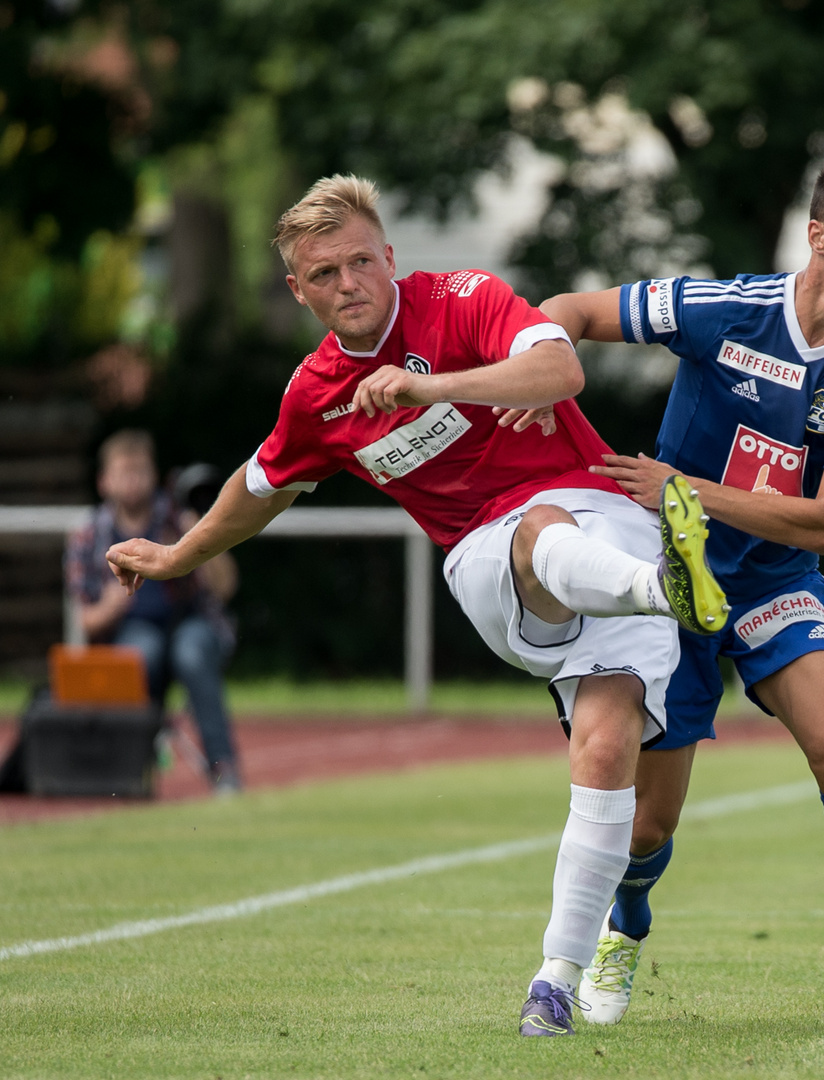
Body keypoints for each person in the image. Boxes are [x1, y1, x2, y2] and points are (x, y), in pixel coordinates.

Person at [104, 175, 729, 1037]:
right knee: (532, 529)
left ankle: (554, 983)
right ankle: (668, 589)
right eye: (324, 274)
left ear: (390, 256)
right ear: (299, 290)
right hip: (484, 552)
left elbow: (562, 366)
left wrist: (434, 387)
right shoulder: (314, 393)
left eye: (362, 261)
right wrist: (177, 556)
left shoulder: (465, 299)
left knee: (609, 741)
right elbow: (257, 487)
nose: (349, 282)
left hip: (605, 518)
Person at [540, 158, 824, 1034]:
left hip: (776, 582)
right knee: (647, 826)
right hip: (671, 584)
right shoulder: (724, 308)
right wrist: (543, 373)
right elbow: (570, 312)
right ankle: (626, 927)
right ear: (819, 237)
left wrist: (686, 487)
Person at [65, 429, 242, 793]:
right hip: (131, 629)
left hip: (188, 622)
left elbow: (225, 588)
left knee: (191, 652)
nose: (133, 482)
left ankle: (224, 769)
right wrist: (115, 602)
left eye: (140, 471)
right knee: (140, 653)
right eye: (123, 472)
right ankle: (131, 770)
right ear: (104, 481)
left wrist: (200, 536)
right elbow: (85, 618)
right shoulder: (89, 535)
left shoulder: (178, 519)